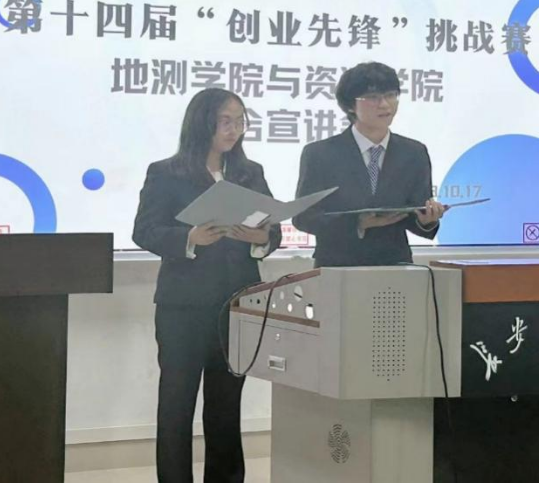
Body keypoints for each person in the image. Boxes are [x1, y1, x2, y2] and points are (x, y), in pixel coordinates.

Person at [133, 88, 282, 483]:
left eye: (240, 121)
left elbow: (273, 229)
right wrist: (190, 238)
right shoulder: (166, 172)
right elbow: (144, 230)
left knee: (226, 406)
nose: (234, 130)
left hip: (237, 303)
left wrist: (261, 239)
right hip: (183, 307)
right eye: (225, 121)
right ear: (202, 123)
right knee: (176, 405)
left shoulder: (250, 173)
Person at [293, 61, 444, 267]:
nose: (385, 104)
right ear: (350, 105)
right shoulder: (320, 154)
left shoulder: (414, 152)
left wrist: (427, 221)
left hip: (394, 264)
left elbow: (415, 212)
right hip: (337, 266)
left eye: (391, 95)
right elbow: (304, 217)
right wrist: (358, 223)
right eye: (373, 97)